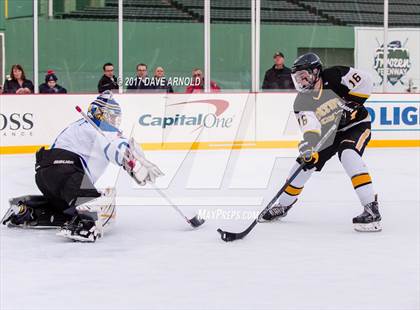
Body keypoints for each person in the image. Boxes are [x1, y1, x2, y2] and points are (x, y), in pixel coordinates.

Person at [1, 91, 163, 242]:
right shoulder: (99, 126)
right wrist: (134, 163)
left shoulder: (79, 125)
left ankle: (27, 211)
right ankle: (84, 225)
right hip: (67, 173)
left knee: (66, 209)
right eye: (113, 117)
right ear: (102, 113)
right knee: (97, 203)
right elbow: (116, 145)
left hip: (44, 175)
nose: (114, 122)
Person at [262, 53, 381, 232]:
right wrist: (308, 147)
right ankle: (283, 205)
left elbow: (366, 81)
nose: (301, 81)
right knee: (304, 164)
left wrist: (352, 105)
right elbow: (310, 130)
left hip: (356, 125)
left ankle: (371, 209)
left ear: (316, 71)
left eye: (304, 76)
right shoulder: (301, 101)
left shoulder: (335, 75)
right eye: (297, 78)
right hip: (329, 133)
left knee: (348, 153)